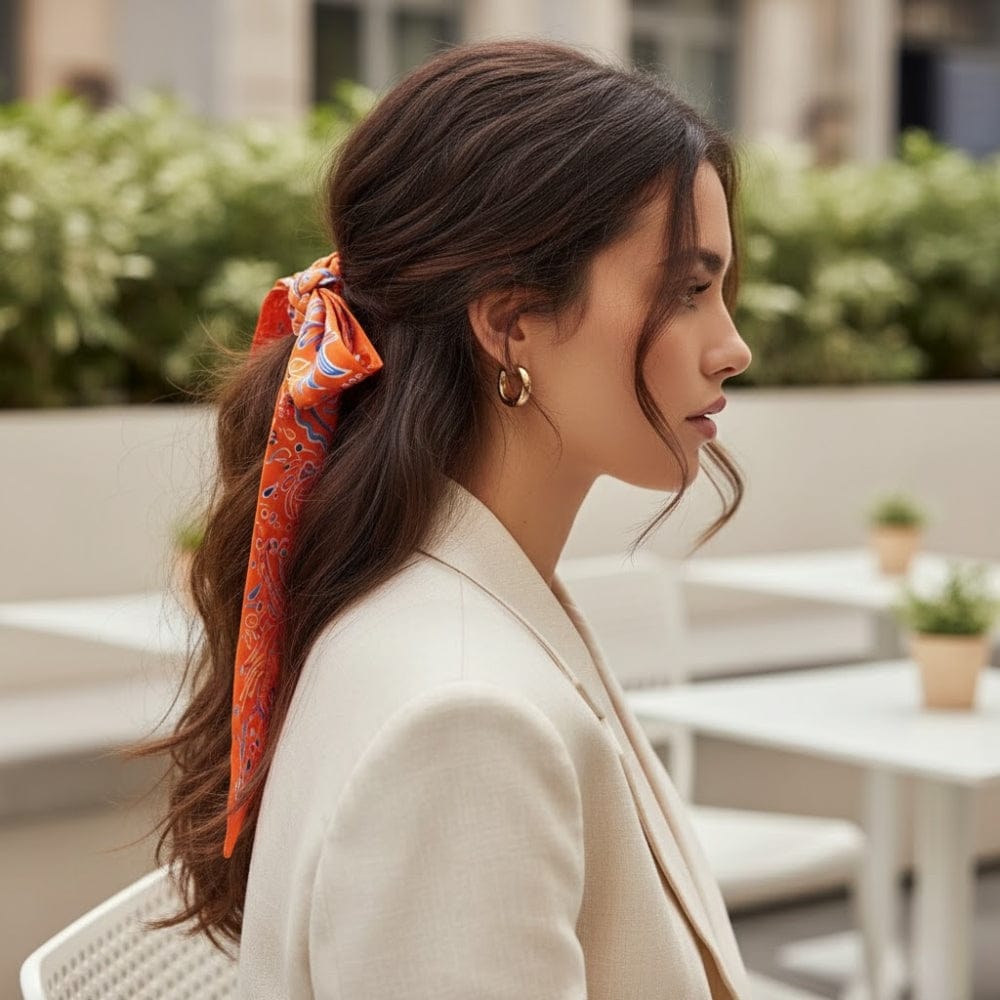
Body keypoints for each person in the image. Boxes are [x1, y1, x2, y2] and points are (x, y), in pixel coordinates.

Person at [137, 37, 754, 1000]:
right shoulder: (464, 717)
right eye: (686, 290)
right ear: (511, 322)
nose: (732, 347)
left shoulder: (452, 601)